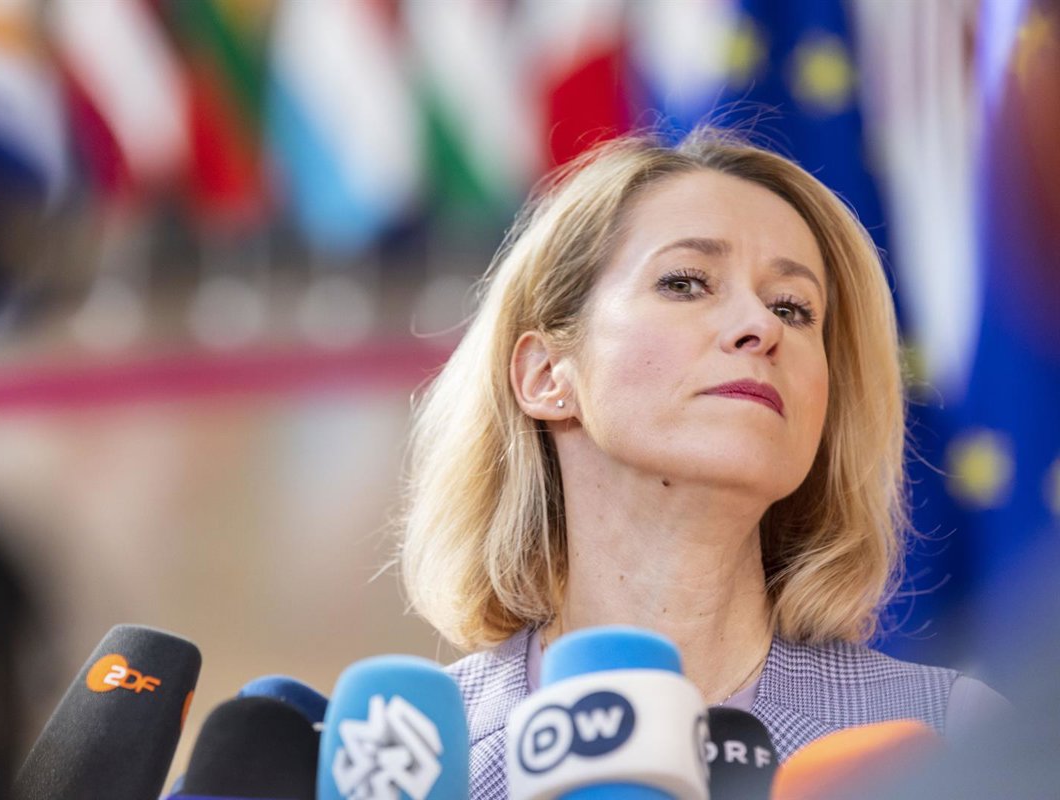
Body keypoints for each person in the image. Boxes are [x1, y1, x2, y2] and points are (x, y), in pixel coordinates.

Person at [396, 129, 1008, 797]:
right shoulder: (409, 766)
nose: (761, 326)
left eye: (793, 308)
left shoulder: (953, 740)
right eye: (686, 283)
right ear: (545, 374)